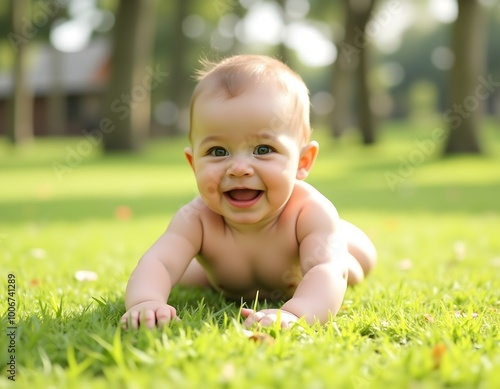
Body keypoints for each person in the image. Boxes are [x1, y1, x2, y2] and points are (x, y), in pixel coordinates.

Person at [121, 54, 377, 330]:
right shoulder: (196, 219)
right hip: (224, 278)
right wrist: (146, 301)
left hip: (311, 260)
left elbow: (324, 270)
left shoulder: (308, 211)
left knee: (350, 264)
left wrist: (295, 313)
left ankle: (344, 244)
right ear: (194, 164)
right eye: (218, 152)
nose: (239, 168)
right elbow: (159, 261)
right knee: (185, 274)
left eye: (263, 150)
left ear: (302, 162)